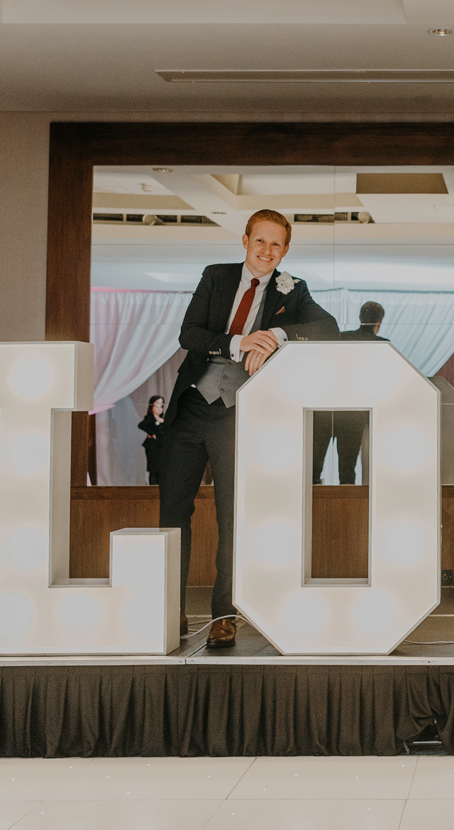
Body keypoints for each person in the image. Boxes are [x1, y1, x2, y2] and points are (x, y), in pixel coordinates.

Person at [158, 208, 338, 647]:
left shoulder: (293, 289)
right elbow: (188, 334)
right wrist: (238, 342)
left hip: (240, 414)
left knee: (233, 515)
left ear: (285, 250)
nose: (267, 251)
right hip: (191, 406)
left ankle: (225, 614)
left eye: (276, 244)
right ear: (245, 241)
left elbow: (328, 327)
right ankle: (169, 609)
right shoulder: (216, 276)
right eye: (260, 241)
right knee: (173, 513)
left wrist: (276, 336)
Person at [312, 301, 389, 485]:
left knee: (313, 467)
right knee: (347, 470)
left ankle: (311, 501)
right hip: (354, 414)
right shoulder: (383, 346)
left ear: (360, 317)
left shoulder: (341, 338)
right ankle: (347, 503)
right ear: (379, 321)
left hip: (326, 409)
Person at [138, 395, 165, 484]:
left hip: (163, 447)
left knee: (162, 470)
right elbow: (141, 425)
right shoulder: (150, 418)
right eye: (157, 404)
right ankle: (152, 489)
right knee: (153, 469)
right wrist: (151, 433)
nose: (159, 407)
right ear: (152, 406)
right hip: (153, 447)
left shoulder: (164, 419)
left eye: (161, 404)